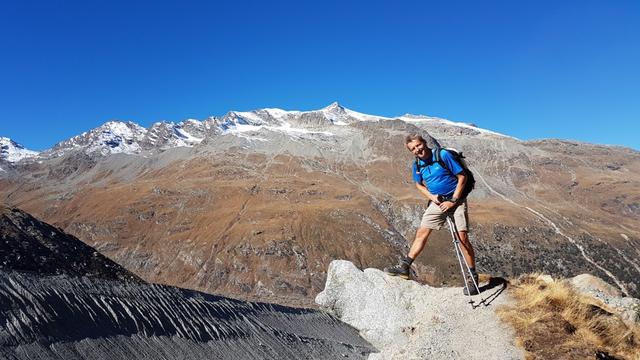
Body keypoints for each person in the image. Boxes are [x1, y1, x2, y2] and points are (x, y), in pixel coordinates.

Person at [384, 134, 479, 295]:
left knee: (462, 238)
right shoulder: (418, 164)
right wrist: (432, 197)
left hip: (457, 200)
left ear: (424, 143)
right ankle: (405, 267)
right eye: (413, 148)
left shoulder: (442, 155)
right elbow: (418, 184)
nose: (417, 150)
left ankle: (472, 277)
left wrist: (453, 200)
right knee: (422, 232)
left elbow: (462, 177)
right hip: (437, 202)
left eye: (418, 145)